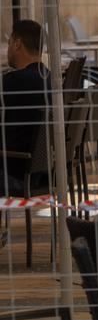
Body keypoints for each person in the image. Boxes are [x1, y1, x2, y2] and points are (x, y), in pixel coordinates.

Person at [0, 19, 49, 192]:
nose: (8, 49)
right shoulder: (50, 79)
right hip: (43, 173)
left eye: (9, 43)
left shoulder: (13, 82)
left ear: (17, 43)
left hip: (13, 173)